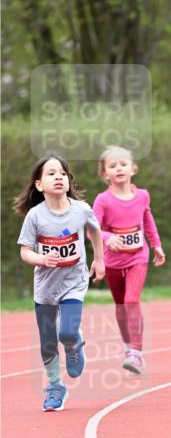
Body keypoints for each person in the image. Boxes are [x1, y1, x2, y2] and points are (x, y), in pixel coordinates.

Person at [14, 154, 105, 411]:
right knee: (47, 341)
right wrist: (41, 259)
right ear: (39, 184)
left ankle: (74, 343)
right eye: (51, 173)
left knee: (66, 331)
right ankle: (55, 386)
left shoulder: (81, 210)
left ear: (68, 181)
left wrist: (99, 260)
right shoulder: (35, 216)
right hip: (45, 287)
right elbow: (25, 251)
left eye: (63, 173)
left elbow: (95, 231)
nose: (58, 177)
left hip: (74, 281)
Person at [92, 146, 165, 375]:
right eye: (112, 166)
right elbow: (92, 230)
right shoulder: (103, 201)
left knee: (132, 300)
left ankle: (136, 352)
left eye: (123, 164)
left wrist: (156, 245)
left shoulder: (142, 195)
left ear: (133, 169)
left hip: (138, 257)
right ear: (105, 174)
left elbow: (147, 218)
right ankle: (127, 346)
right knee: (121, 306)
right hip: (112, 261)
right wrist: (108, 237)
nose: (119, 168)